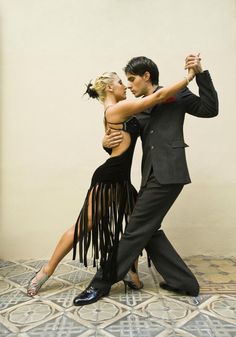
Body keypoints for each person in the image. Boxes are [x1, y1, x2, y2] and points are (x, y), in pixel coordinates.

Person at [27, 64, 195, 297]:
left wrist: (104, 143)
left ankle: (130, 272)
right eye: (119, 82)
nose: (125, 85)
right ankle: (44, 272)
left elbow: (115, 142)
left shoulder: (118, 109)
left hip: (122, 180)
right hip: (108, 178)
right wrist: (189, 77)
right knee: (83, 227)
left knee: (139, 225)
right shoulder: (119, 108)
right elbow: (159, 96)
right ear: (108, 87)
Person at [73, 54, 218, 306]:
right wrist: (106, 143)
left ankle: (100, 284)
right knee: (150, 230)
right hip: (149, 175)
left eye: (131, 79)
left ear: (146, 76)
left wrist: (200, 74)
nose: (129, 85)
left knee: (135, 230)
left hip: (170, 173)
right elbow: (124, 140)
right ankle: (184, 283)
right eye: (125, 81)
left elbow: (210, 110)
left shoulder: (176, 94)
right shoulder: (137, 109)